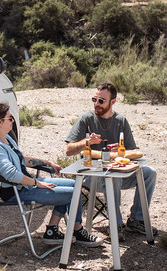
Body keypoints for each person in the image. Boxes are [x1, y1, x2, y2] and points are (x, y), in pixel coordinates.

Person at [0, 102, 103, 247]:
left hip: (23, 186)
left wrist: (47, 163)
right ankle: (76, 230)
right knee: (73, 193)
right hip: (14, 191)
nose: (12, 121)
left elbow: (21, 159)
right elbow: (11, 175)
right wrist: (37, 183)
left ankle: (53, 230)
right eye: (10, 118)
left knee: (75, 184)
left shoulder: (7, 139)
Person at [65, 82, 157, 237]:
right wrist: (87, 142)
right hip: (92, 176)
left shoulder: (121, 121)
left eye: (101, 101)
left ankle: (136, 220)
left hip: (117, 172)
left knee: (149, 173)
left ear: (113, 102)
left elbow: (132, 151)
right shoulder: (86, 119)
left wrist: (120, 150)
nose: (96, 104)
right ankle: (116, 225)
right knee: (113, 178)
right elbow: (68, 150)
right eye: (94, 99)